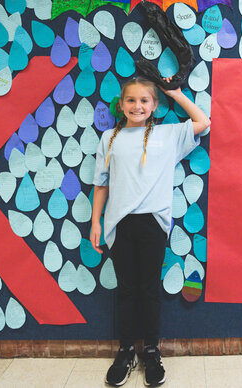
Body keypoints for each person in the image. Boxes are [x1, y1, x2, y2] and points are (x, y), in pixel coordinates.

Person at [91, 76, 210, 387]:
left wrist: (176, 93)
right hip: (120, 225)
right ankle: (126, 351)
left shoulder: (167, 134)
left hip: (153, 224)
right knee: (127, 290)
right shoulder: (109, 138)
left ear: (155, 106)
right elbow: (101, 184)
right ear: (121, 105)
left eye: (144, 100)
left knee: (149, 289)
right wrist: (95, 222)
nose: (137, 106)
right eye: (131, 100)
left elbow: (202, 121)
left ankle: (152, 352)